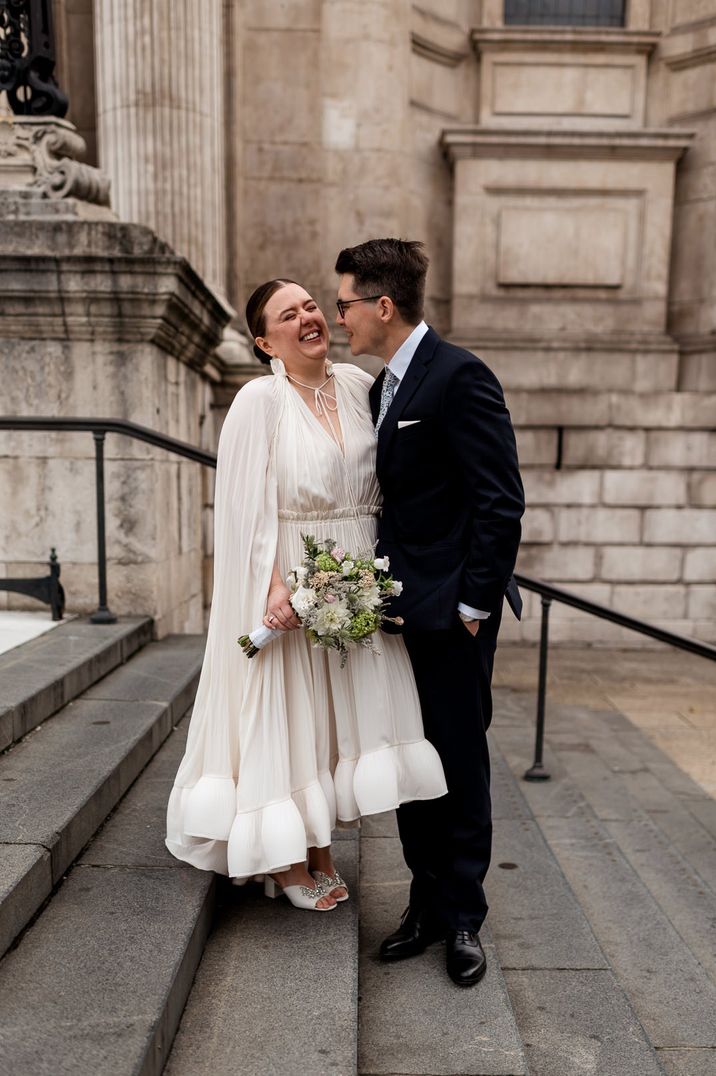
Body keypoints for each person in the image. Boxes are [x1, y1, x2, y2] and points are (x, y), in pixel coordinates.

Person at [166, 279, 447, 911]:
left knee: (330, 719)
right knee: (288, 714)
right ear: (266, 341)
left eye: (312, 305)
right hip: (293, 577)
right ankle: (287, 860)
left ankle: (320, 848)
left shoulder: (358, 387)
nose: (308, 317)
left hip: (355, 582)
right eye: (287, 315)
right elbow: (241, 506)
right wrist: (273, 586)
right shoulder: (257, 401)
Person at [335, 239, 524, 981]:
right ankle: (424, 902)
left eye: (346, 302)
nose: (341, 315)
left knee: (459, 759)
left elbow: (499, 501)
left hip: (453, 615)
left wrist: (474, 604)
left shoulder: (460, 374)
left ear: (384, 306)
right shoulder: (381, 387)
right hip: (396, 613)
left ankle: (465, 917)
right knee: (411, 760)